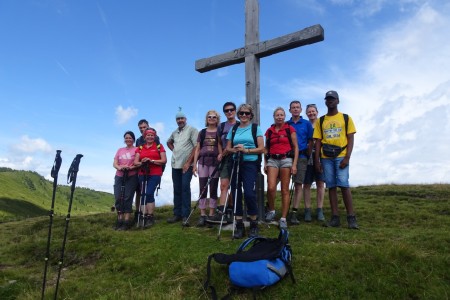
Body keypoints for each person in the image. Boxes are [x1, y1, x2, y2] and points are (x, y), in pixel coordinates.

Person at [314, 90, 359, 229]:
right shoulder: (320, 121)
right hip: (326, 157)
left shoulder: (346, 118)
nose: (330, 101)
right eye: (327, 99)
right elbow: (318, 142)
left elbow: (351, 138)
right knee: (331, 186)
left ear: (338, 101)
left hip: (341, 156)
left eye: (332, 99)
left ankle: (351, 218)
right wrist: (317, 161)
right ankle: (335, 218)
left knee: (344, 185)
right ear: (325, 102)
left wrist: (347, 157)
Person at [226, 103, 265, 239]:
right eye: (241, 113)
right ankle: (239, 225)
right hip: (236, 162)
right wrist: (235, 149)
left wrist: (246, 150)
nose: (243, 115)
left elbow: (262, 148)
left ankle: (253, 223)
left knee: (249, 193)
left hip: (250, 163)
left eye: (246, 113)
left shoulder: (256, 128)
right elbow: (228, 148)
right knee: (236, 193)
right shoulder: (234, 129)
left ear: (251, 115)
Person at [264, 107, 298, 229]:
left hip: (286, 160)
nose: (279, 117)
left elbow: (296, 147)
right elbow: (266, 148)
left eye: (281, 115)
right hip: (272, 159)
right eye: (277, 115)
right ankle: (272, 210)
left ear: (284, 116)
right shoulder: (269, 131)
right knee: (271, 187)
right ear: (274, 116)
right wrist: (265, 162)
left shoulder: (290, 129)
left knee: (285, 189)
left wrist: (294, 164)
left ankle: (283, 218)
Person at [166, 108, 198, 226]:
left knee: (185, 188)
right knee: (177, 188)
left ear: (185, 119)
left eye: (182, 118)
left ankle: (186, 215)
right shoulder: (175, 132)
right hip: (175, 164)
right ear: (176, 120)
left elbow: (196, 147)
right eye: (178, 119)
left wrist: (188, 162)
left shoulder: (192, 130)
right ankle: (177, 214)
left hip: (187, 165)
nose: (180, 120)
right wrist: (174, 151)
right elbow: (168, 142)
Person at [207, 101, 237, 224]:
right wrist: (221, 153)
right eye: (226, 110)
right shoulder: (222, 126)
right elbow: (219, 142)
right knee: (224, 185)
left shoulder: (240, 125)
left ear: (235, 111)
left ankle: (231, 209)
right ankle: (221, 212)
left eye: (231, 109)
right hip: (225, 158)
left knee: (234, 186)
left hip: (237, 158)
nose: (229, 112)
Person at [192, 110, 223, 226]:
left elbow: (220, 145)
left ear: (217, 119)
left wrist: (221, 154)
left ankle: (211, 214)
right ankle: (202, 214)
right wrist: (194, 164)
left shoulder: (219, 132)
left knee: (213, 188)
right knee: (203, 188)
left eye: (214, 117)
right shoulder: (202, 132)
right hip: (203, 162)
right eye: (209, 117)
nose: (211, 119)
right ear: (206, 119)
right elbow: (198, 149)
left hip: (215, 162)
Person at [286, 100, 313, 224]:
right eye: (293, 107)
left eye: (297, 107)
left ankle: (294, 212)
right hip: (287, 157)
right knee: (285, 184)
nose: (295, 109)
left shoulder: (306, 124)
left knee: (298, 184)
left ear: (301, 110)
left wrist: (307, 153)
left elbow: (310, 140)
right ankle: (282, 210)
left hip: (302, 156)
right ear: (290, 110)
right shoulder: (286, 124)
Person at [134, 128, 167, 228]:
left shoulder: (159, 146)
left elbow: (164, 160)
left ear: (155, 136)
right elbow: (135, 162)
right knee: (143, 194)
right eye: (148, 135)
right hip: (142, 173)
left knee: (149, 193)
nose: (150, 137)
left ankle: (150, 216)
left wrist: (151, 161)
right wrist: (142, 162)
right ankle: (143, 216)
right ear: (145, 137)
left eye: (152, 135)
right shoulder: (140, 148)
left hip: (155, 173)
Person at [303, 104, 326, 221]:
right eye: (309, 112)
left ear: (317, 112)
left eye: (313, 111)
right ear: (306, 114)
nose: (311, 113)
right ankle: (307, 210)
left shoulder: (321, 123)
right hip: (307, 156)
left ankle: (320, 210)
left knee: (320, 183)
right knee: (306, 184)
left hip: (321, 156)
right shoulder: (306, 125)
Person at [113, 131, 139, 230]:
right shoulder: (120, 150)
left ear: (133, 139)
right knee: (118, 197)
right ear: (124, 139)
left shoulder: (136, 149)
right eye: (126, 138)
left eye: (130, 138)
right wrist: (119, 167)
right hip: (119, 175)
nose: (128, 139)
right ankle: (119, 220)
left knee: (128, 197)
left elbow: (137, 163)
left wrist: (130, 168)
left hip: (131, 176)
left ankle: (127, 221)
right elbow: (115, 163)